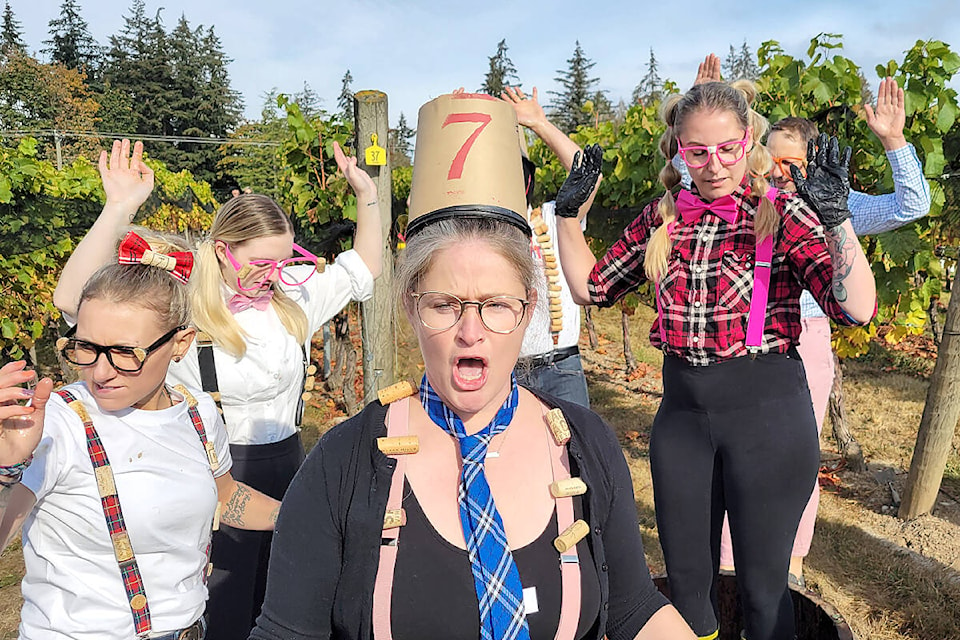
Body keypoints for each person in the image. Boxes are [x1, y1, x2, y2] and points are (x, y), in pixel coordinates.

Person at [250, 92, 695, 640]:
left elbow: (633, 609)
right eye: (444, 305)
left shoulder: (586, 447)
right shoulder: (341, 467)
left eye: (497, 305)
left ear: (527, 308)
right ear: (412, 306)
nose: (470, 331)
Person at [556, 81, 876, 640]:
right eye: (697, 152)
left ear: (747, 138)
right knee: (687, 587)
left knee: (761, 588)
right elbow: (591, 287)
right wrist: (566, 215)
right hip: (683, 419)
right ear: (678, 148)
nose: (714, 165)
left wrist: (838, 218)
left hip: (768, 418)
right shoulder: (663, 217)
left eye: (727, 148)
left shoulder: (779, 211)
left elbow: (856, 307)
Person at [53, 138, 383, 640]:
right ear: (224, 251)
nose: (273, 277)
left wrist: (367, 193)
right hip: (209, 469)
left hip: (291, 464)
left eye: (282, 262)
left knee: (289, 599)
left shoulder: (290, 298)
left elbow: (365, 268)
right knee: (223, 601)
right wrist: (117, 208)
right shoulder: (183, 300)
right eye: (260, 264)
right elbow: (75, 302)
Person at [0, 231, 280, 639]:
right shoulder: (58, 423)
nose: (100, 371)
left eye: (126, 352)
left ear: (181, 343)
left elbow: (226, 496)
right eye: (86, 348)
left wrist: (305, 517)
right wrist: (7, 466)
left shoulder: (198, 412)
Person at [714, 77, 932, 585]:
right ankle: (727, 563)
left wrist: (894, 141)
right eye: (772, 161)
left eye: (793, 164)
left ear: (814, 163)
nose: (782, 174)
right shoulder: (749, 199)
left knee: (797, 454)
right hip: (742, 338)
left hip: (806, 337)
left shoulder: (838, 206)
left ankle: (790, 562)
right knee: (730, 449)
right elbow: (686, 178)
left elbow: (912, 206)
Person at [501, 86, 599, 408]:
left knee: (574, 455)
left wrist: (539, 124)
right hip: (505, 372)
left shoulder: (554, 217)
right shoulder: (480, 233)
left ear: (527, 179)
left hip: (562, 370)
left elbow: (589, 175)